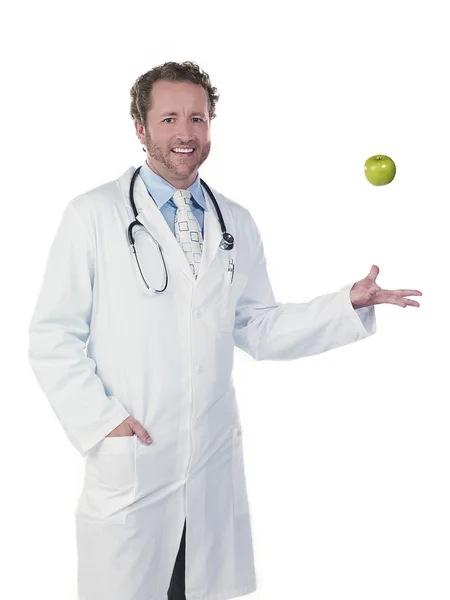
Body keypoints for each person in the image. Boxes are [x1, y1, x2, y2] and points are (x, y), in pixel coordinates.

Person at [27, 61, 422, 600]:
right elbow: (52, 336)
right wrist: (103, 422)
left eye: (198, 118)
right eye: (168, 119)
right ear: (140, 129)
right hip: (135, 464)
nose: (185, 133)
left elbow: (257, 327)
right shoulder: (92, 215)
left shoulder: (234, 222)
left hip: (208, 464)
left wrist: (344, 305)